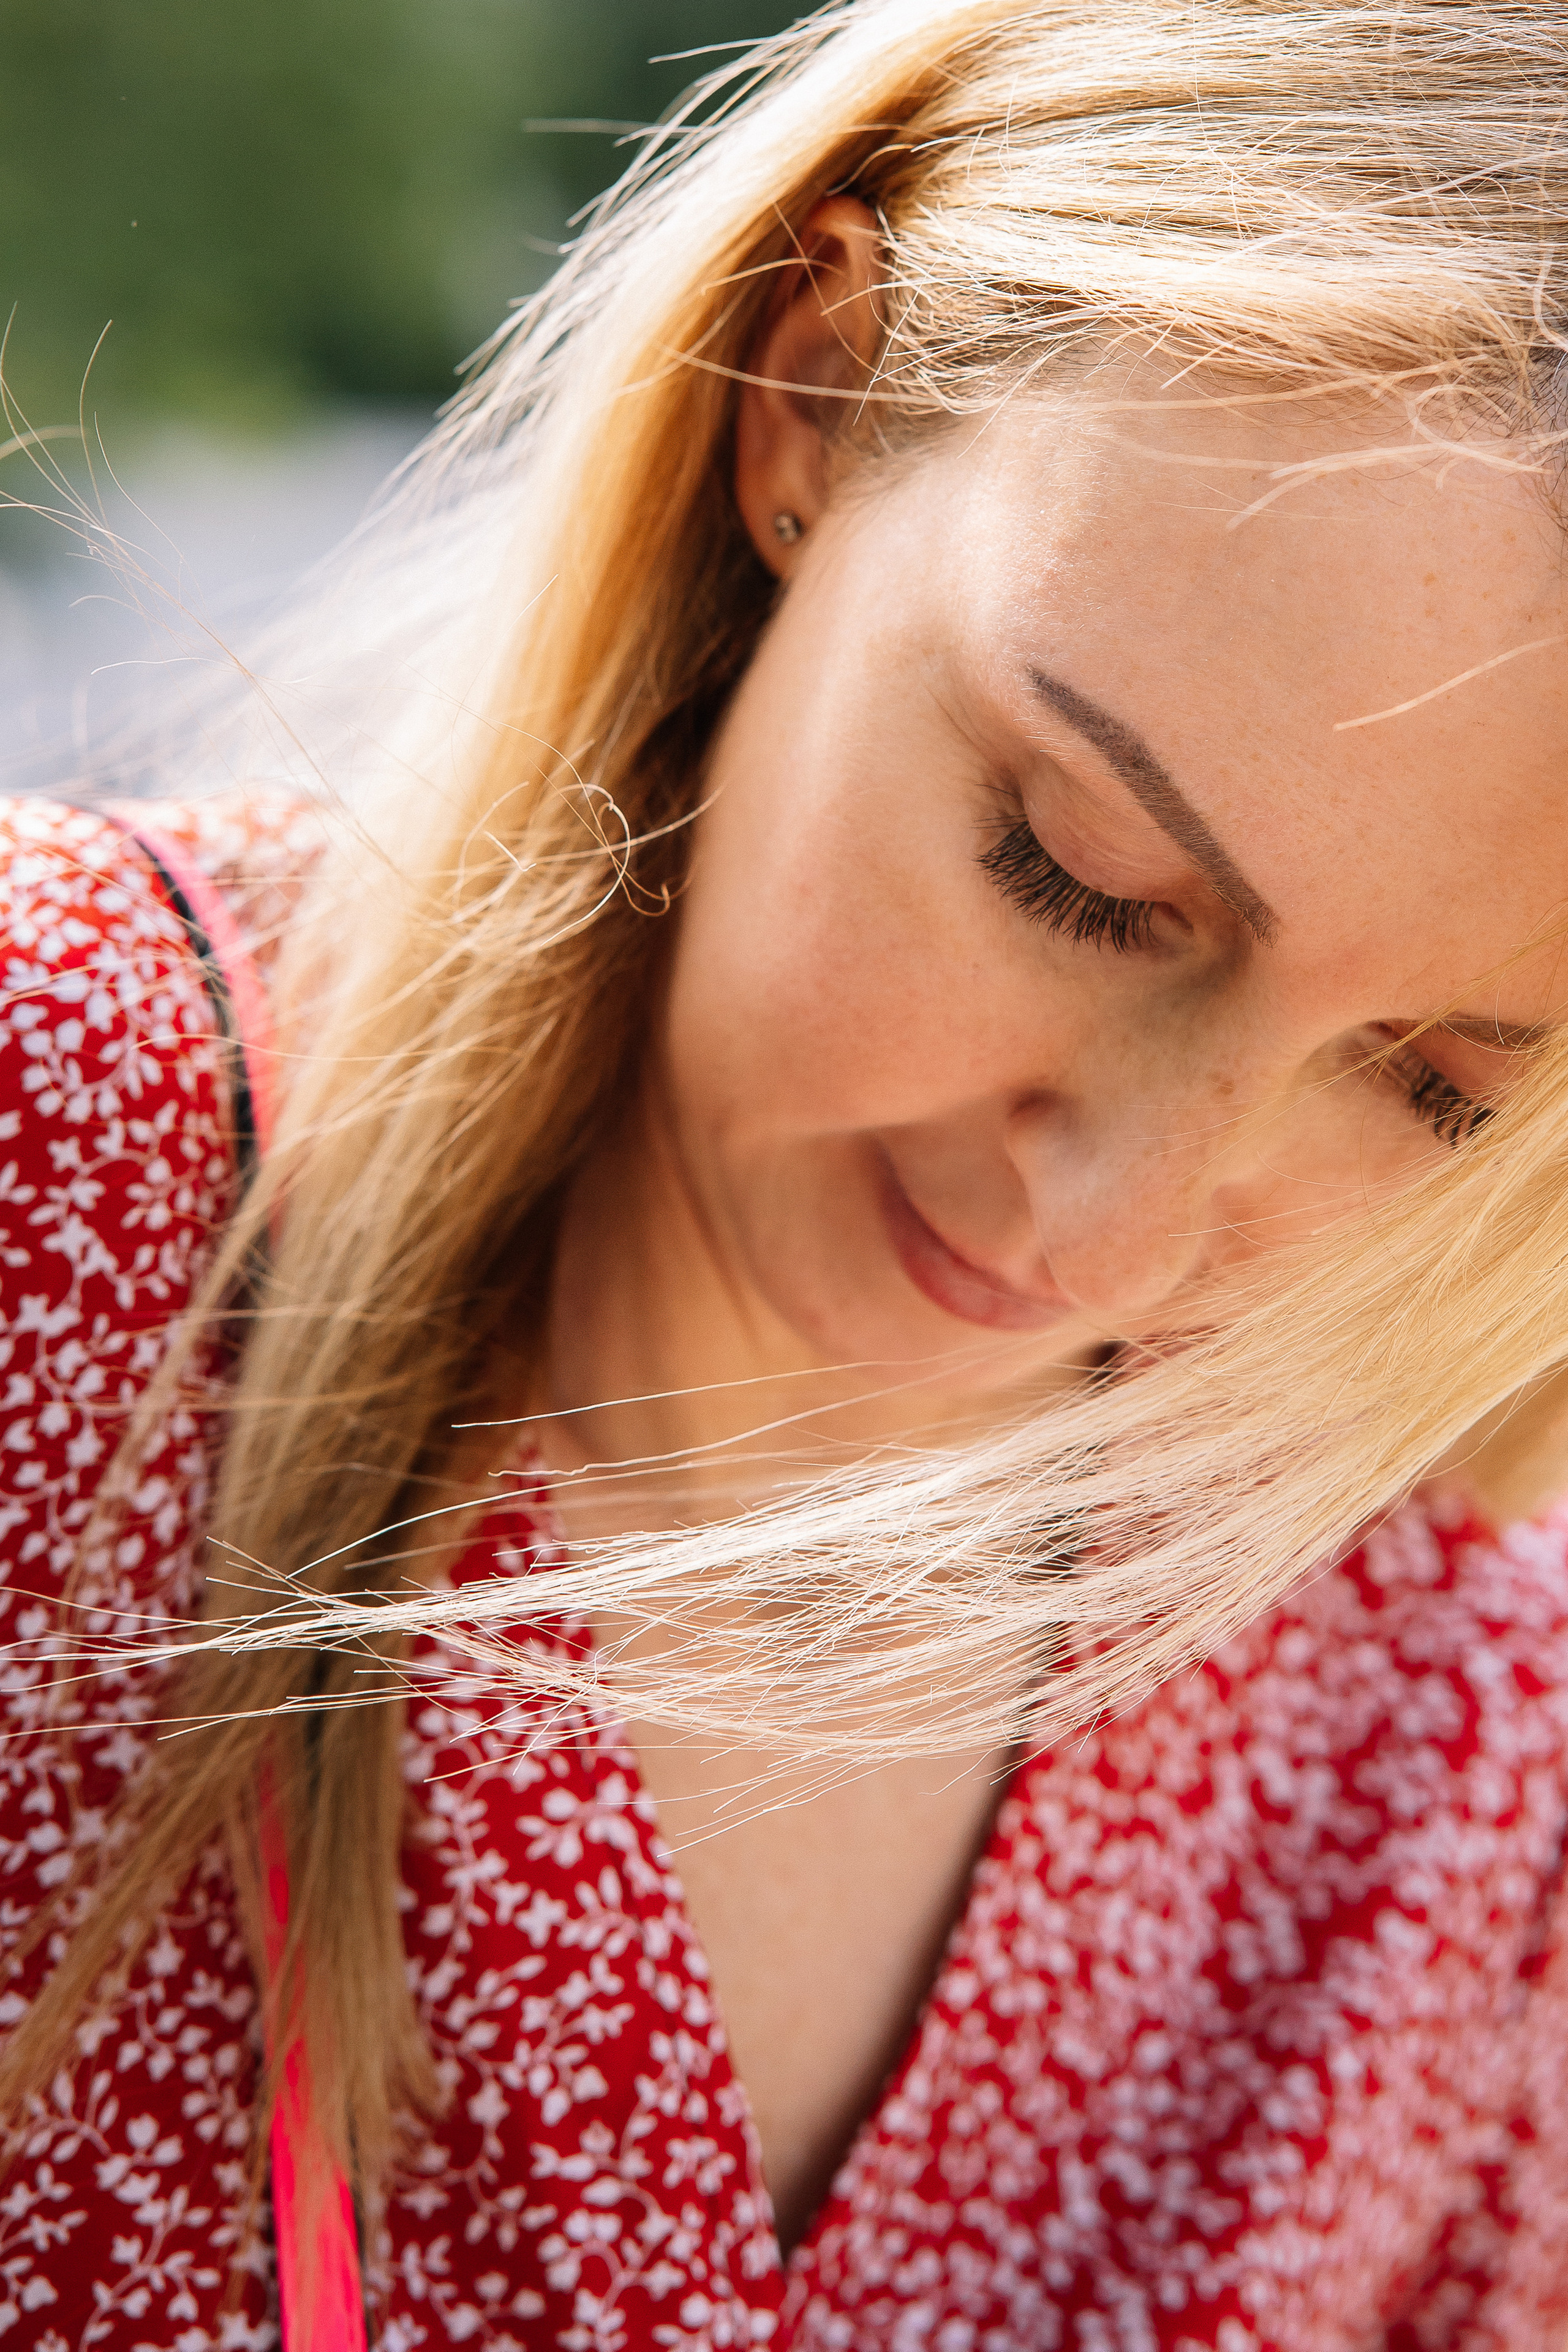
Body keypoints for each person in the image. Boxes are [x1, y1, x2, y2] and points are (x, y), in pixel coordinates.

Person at [4, 0, 1568, 2343]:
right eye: (1078, 869)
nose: (1105, 1236)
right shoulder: (61, 1157)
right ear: (810, 399)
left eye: (1434, 1084)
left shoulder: (1449, 1797)